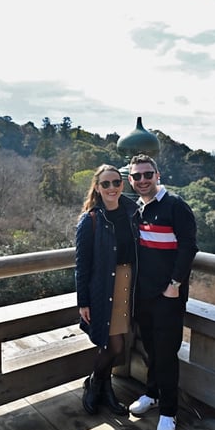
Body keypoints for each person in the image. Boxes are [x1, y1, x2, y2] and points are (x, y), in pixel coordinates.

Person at [127, 154, 198, 430]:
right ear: (130, 180)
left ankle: (169, 412)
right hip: (143, 294)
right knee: (150, 348)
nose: (143, 180)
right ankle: (152, 393)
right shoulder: (137, 209)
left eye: (147, 174)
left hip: (168, 294)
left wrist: (174, 283)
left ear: (158, 175)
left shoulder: (175, 206)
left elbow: (188, 248)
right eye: (137, 176)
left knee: (167, 353)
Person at [75, 164, 139, 416]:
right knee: (114, 346)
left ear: (122, 184)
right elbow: (81, 265)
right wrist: (83, 302)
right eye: (106, 184)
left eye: (116, 182)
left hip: (128, 284)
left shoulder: (133, 212)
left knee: (116, 342)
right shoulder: (90, 219)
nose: (112, 188)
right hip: (104, 287)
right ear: (97, 188)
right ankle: (95, 383)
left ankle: (103, 387)